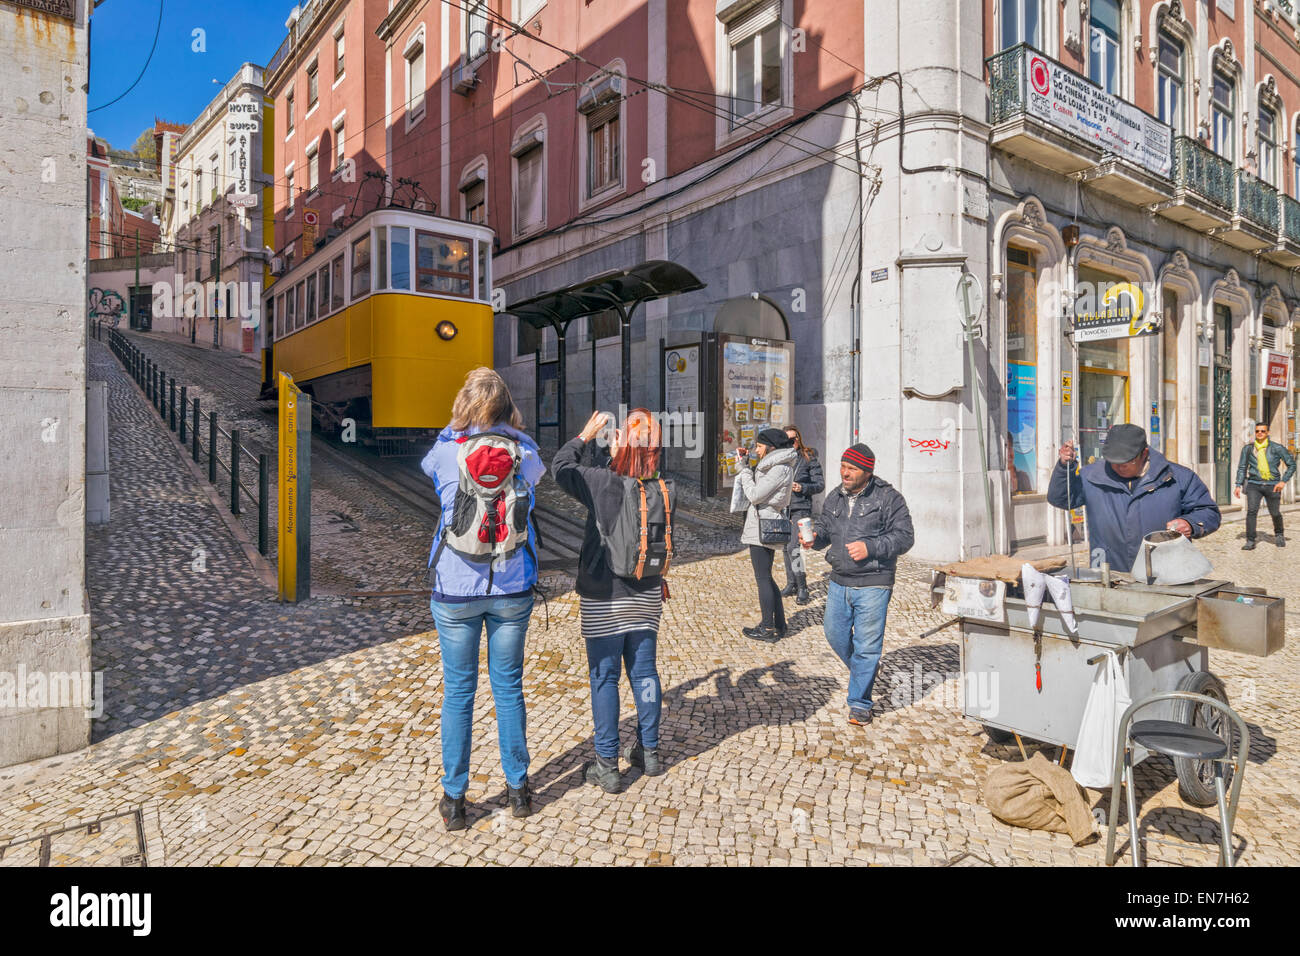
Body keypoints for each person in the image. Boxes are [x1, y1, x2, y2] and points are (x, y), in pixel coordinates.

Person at [421, 368, 544, 831]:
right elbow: (535, 473)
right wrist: (510, 429)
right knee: (508, 688)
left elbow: (430, 469)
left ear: (465, 407)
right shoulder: (525, 453)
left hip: (455, 589)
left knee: (458, 693)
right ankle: (518, 791)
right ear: (507, 407)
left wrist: (455, 428)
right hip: (511, 587)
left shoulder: (446, 452)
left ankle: (455, 801)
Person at [553, 409, 672, 794]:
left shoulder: (602, 483)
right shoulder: (661, 488)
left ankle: (607, 764)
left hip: (604, 596)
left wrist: (585, 435)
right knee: (644, 672)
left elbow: (560, 467)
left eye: (621, 434)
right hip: (648, 592)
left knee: (605, 677)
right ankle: (649, 751)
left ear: (626, 443)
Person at [802, 443, 914, 726]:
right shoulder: (835, 497)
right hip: (839, 580)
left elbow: (905, 537)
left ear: (867, 471)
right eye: (843, 466)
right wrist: (815, 537)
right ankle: (864, 673)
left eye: (851, 468)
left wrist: (871, 547)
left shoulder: (889, 498)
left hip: (874, 583)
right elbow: (826, 528)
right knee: (834, 634)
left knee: (867, 646)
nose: (845, 473)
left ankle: (860, 703)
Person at [1047, 423, 1219, 572]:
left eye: (1125, 462)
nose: (1118, 467)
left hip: (1165, 573)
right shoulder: (1092, 476)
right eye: (1113, 461)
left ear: (1144, 454)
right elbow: (1062, 499)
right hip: (1109, 572)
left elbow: (1208, 512)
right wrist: (1064, 468)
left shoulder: (1178, 477)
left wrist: (1190, 524)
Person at [735, 428, 798, 641]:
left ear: (771, 447)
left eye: (760, 446)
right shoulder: (777, 466)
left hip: (764, 525)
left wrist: (744, 472)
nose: (757, 450)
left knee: (762, 578)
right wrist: (745, 463)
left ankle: (767, 628)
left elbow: (754, 494)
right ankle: (779, 624)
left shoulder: (779, 469)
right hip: (764, 521)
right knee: (767, 576)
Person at [779, 425, 824, 606]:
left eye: (795, 439)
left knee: (793, 548)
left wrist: (803, 487)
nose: (792, 442)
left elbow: (819, 484)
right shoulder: (781, 459)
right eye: (788, 440)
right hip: (783, 509)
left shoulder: (808, 457)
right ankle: (791, 584)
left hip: (800, 509)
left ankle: (802, 586)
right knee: (784, 547)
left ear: (799, 439)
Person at [1234, 421, 1295, 550]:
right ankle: (1250, 540)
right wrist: (1238, 484)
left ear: (1268, 433)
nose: (1260, 433)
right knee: (1251, 512)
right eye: (1257, 431)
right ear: (1254, 433)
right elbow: (1242, 467)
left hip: (1273, 485)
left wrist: (1283, 481)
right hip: (1254, 485)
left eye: (1262, 431)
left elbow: (1292, 465)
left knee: (1275, 512)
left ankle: (1279, 534)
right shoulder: (1248, 449)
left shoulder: (1277, 448)